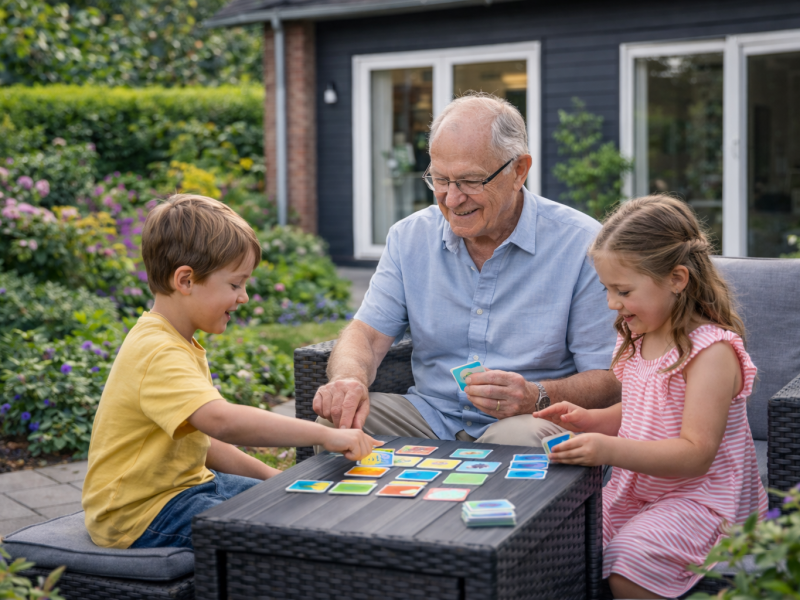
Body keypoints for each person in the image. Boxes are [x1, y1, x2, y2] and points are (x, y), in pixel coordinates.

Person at [313, 92, 620, 448]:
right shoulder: (409, 237)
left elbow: (610, 377)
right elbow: (365, 334)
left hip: (527, 420)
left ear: (519, 170)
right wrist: (349, 379)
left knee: (527, 442)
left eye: (471, 181)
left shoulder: (581, 243)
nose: (452, 198)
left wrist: (537, 394)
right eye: (440, 180)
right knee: (335, 426)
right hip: (430, 415)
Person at [82, 194, 378, 550]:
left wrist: (277, 478)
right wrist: (328, 437)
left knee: (297, 499)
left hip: (187, 488)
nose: (245, 297)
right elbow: (221, 421)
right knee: (286, 533)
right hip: (139, 514)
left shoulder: (177, 341)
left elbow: (205, 443)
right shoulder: (156, 350)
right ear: (186, 280)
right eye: (236, 284)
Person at [534, 195, 767, 599]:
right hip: (639, 491)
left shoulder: (711, 353)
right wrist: (591, 420)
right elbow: (645, 410)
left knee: (628, 561)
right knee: (564, 538)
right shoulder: (640, 337)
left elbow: (696, 452)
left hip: (703, 502)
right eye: (607, 289)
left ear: (677, 279)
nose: (612, 303)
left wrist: (608, 449)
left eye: (623, 290)